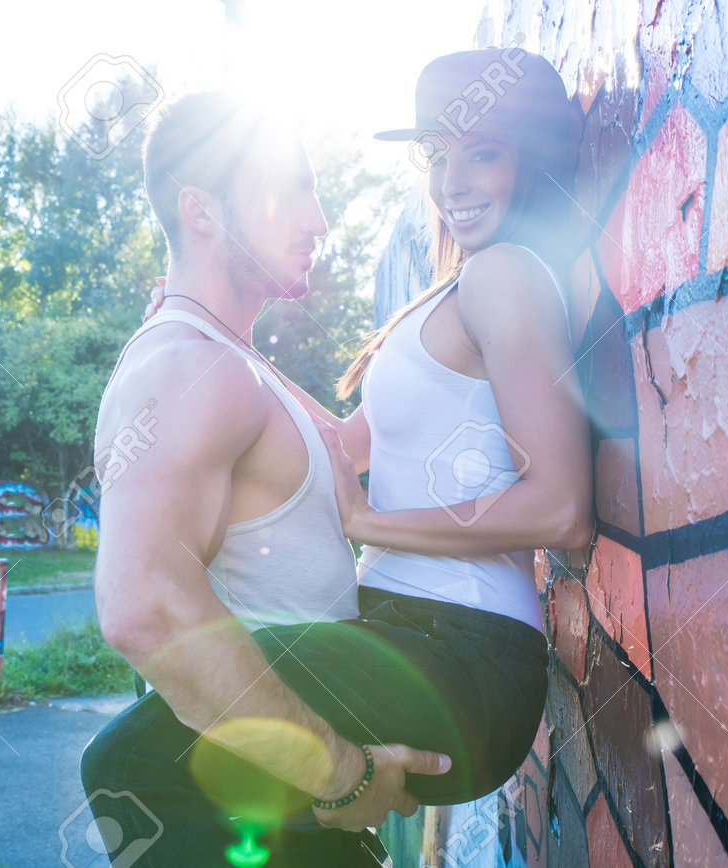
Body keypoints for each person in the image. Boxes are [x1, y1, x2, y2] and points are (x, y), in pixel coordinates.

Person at [81, 47, 591, 868]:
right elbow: (331, 439)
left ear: (529, 159)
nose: (450, 181)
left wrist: (370, 520)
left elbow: (564, 508)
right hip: (407, 629)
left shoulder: (503, 277)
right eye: (437, 155)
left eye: (482, 151)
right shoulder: (450, 293)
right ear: (203, 212)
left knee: (129, 767)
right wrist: (205, 338)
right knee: (244, 785)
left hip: (461, 648)